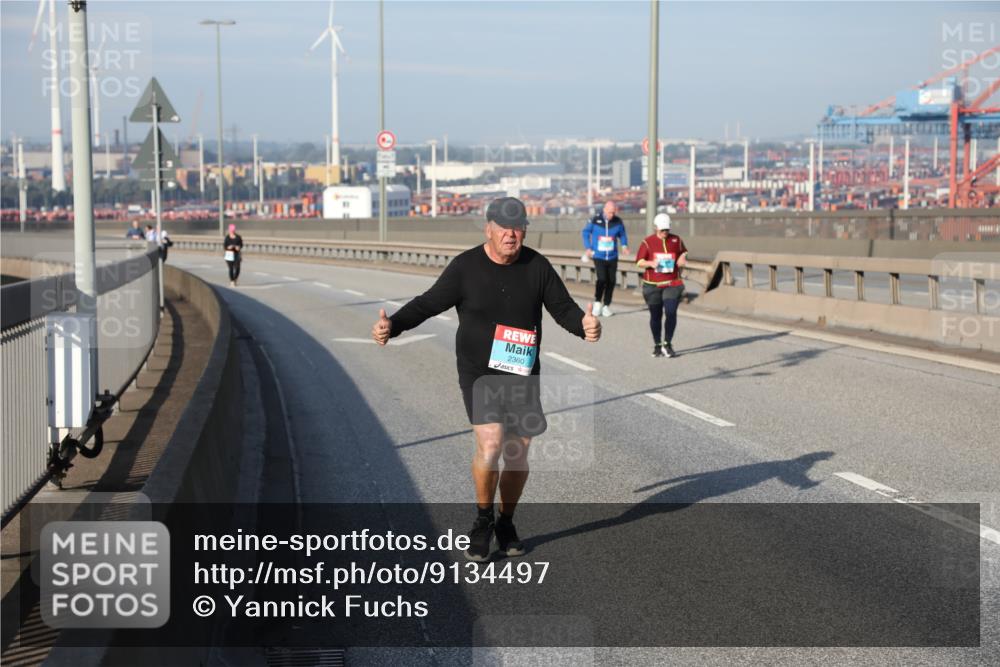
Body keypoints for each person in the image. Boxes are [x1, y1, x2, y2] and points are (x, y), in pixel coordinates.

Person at [371, 197, 602, 561]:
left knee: (517, 454)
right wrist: (393, 325)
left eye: (518, 227)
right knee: (491, 444)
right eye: (504, 228)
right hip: (479, 371)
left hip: (522, 373)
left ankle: (505, 522)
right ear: (489, 229)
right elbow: (428, 303)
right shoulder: (465, 268)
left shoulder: (536, 266)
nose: (512, 235)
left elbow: (563, 309)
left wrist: (584, 326)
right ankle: (482, 520)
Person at [635, 212, 688, 358]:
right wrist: (651, 263)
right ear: (655, 228)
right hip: (652, 285)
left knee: (671, 312)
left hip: (672, 283)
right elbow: (639, 261)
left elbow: (683, 251)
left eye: (667, 230)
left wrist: (683, 257)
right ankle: (657, 344)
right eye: (662, 230)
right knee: (656, 316)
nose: (665, 233)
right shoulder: (648, 242)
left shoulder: (676, 240)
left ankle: (667, 344)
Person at [581, 201, 629, 316]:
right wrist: (588, 247)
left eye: (613, 212)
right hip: (598, 255)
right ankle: (597, 302)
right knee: (602, 279)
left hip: (612, 256)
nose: (611, 215)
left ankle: (606, 305)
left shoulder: (618, 221)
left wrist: (624, 245)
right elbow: (585, 232)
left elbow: (622, 234)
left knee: (611, 281)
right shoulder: (595, 219)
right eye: (609, 212)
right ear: (604, 210)